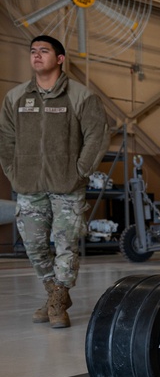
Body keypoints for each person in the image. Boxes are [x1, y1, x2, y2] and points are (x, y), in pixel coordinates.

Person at [0, 35, 109, 328]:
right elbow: (6, 139)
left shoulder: (81, 96)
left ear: (60, 59)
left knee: (65, 244)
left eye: (44, 51)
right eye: (33, 51)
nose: (36, 56)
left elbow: (97, 136)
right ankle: (53, 291)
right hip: (28, 185)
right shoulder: (16, 97)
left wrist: (80, 172)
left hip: (67, 186)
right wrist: (13, 171)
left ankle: (59, 300)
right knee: (34, 245)